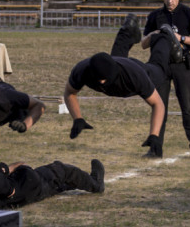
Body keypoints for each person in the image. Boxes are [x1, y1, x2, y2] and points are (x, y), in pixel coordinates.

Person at [64, 15, 167, 157]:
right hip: (119, 65)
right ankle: (128, 30)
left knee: (159, 68)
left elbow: (158, 104)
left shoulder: (135, 75)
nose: (101, 83)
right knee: (117, 56)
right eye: (98, 79)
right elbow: (69, 93)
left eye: (104, 80)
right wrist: (78, 118)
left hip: (141, 71)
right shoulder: (82, 70)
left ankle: (163, 38)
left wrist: (154, 135)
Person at [141, 0, 190, 159]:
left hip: (182, 66)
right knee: (159, 106)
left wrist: (180, 38)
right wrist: (154, 34)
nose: (169, 1)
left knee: (187, 107)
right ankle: (155, 148)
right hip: (159, 67)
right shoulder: (155, 15)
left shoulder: (188, 13)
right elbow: (143, 44)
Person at [0, 158, 105, 209]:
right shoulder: (27, 178)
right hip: (47, 178)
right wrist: (7, 169)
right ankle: (96, 183)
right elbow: (22, 165)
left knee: (63, 185)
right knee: (67, 172)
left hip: (41, 193)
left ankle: (73, 184)